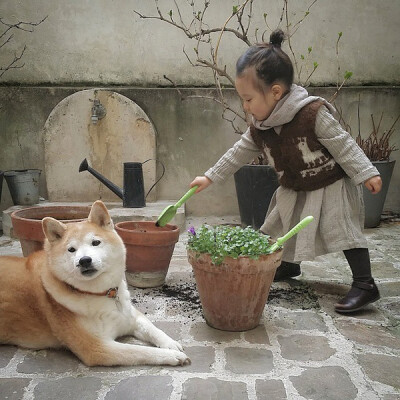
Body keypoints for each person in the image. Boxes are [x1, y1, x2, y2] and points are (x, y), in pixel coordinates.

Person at [190, 29, 382, 314]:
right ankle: (288, 265)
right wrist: (210, 176)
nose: (245, 106)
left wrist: (366, 172)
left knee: (342, 230)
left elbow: (343, 144)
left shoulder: (312, 114)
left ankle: (366, 285)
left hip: (329, 183)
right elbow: (238, 152)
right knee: (280, 225)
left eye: (248, 99)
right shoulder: (261, 126)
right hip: (294, 186)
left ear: (276, 92)